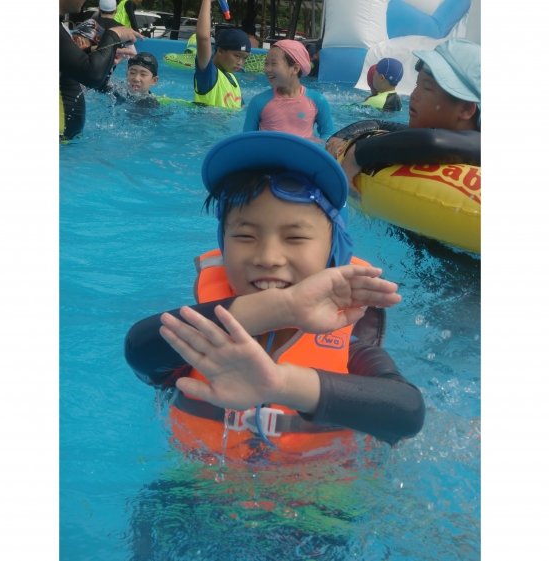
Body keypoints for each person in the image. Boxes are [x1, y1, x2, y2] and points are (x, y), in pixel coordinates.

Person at [124, 131, 426, 463]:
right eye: (245, 236)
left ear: (334, 253)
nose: (268, 257)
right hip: (192, 492)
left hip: (318, 494)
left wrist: (281, 385)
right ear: (223, 245)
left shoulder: (350, 349)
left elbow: (407, 413)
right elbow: (139, 349)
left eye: (295, 238)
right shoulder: (198, 339)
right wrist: (284, 307)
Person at [324, 38, 481, 193]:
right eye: (417, 84)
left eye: (427, 88)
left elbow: (432, 141)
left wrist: (357, 152)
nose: (414, 95)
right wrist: (340, 136)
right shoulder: (427, 133)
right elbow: (379, 124)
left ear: (466, 108)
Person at [59, 0, 143, 140]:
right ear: (115, 10)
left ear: (99, 9)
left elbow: (66, 60)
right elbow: (93, 77)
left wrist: (93, 51)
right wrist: (113, 35)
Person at [243, 40, 335, 141]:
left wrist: (317, 143)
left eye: (274, 63)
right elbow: (247, 139)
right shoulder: (258, 102)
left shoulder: (317, 100)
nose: (268, 69)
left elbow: (329, 134)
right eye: (266, 63)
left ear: (295, 68)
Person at [193, 0, 251, 108]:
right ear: (220, 51)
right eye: (237, 56)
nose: (240, 62)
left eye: (245, 58)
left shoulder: (232, 79)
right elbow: (203, 38)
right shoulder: (209, 75)